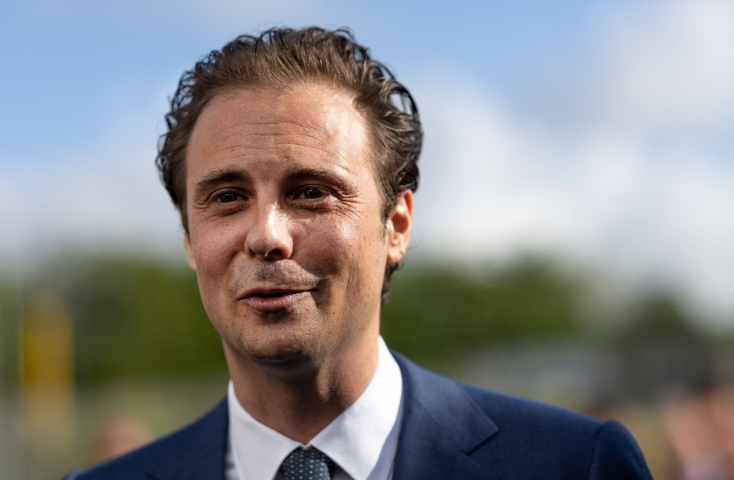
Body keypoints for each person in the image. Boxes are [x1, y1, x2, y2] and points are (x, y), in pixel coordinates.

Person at [64, 27, 653, 480]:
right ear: (190, 240)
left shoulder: (574, 466)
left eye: (311, 192)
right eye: (226, 197)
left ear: (395, 224)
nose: (267, 234)